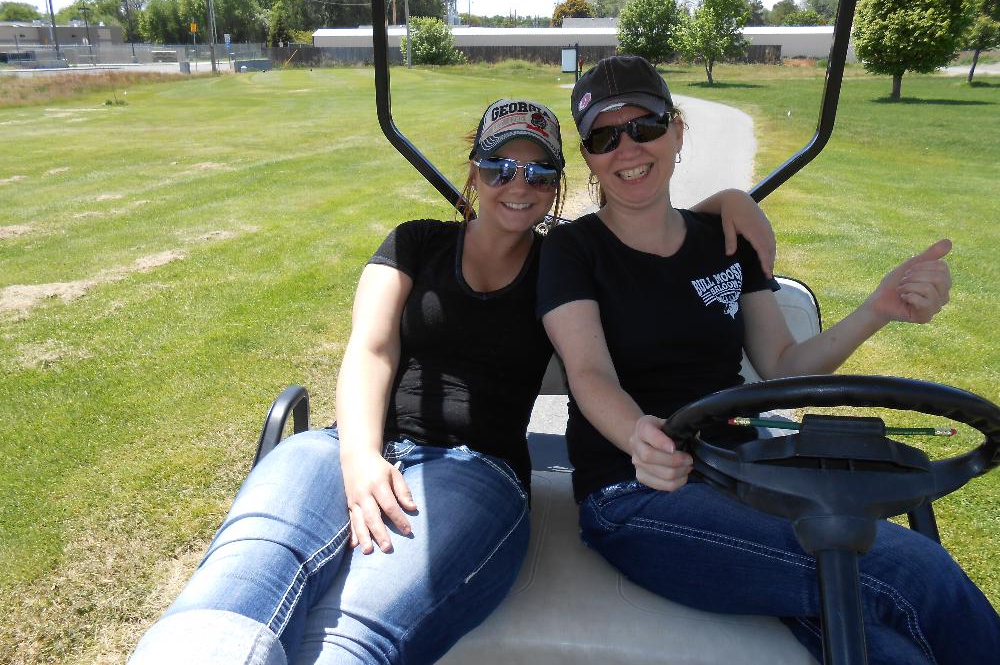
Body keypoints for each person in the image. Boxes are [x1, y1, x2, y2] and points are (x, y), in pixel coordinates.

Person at [129, 97, 774, 665]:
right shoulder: (415, 244)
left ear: (555, 187)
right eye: (499, 166)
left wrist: (731, 200)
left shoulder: (563, 262)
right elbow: (371, 350)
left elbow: (656, 217)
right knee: (234, 588)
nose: (516, 184)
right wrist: (359, 456)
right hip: (344, 448)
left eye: (538, 171)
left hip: (473, 470)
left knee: (347, 636)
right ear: (473, 172)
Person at [537, 54, 1000, 665]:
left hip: (753, 478)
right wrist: (639, 435)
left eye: (644, 127)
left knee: (892, 651)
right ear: (590, 155)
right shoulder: (574, 249)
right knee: (914, 569)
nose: (627, 149)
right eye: (604, 136)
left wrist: (878, 307)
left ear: (677, 130)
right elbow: (589, 372)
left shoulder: (726, 242)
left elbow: (783, 364)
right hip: (639, 491)